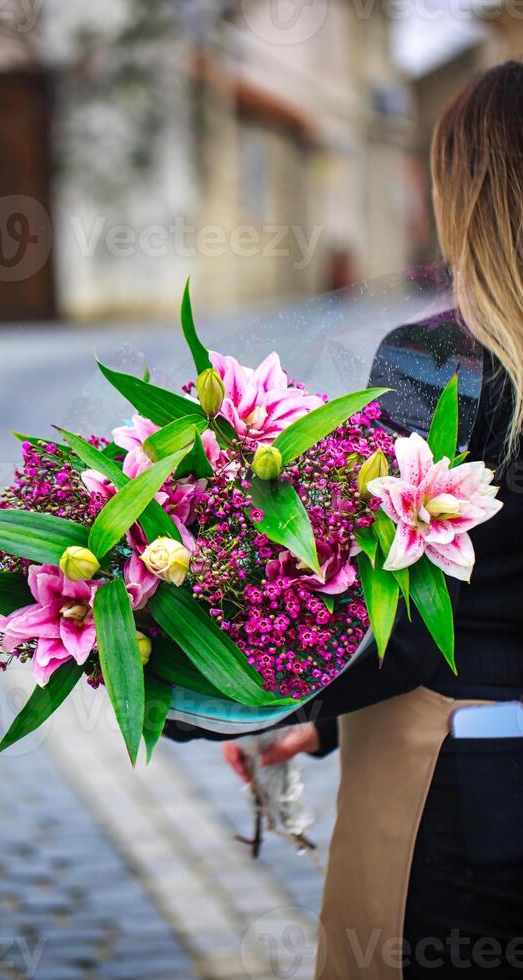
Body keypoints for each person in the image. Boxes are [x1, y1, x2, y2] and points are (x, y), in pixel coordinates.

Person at [175, 62, 523, 977]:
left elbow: (391, 607)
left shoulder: (440, 359)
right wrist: (319, 722)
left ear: (468, 190)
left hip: (459, 782)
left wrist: (225, 681)